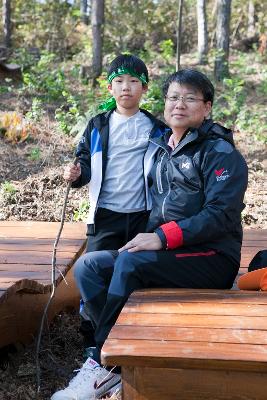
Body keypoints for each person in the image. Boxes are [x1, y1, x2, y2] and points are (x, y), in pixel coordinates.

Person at [51, 69, 248, 400]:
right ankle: (118, 352)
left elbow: (221, 215)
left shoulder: (220, 153)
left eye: (189, 98)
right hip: (170, 252)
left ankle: (104, 365)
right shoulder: (160, 148)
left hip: (212, 257)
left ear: (207, 107)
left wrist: (161, 237)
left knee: (130, 264)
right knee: (90, 266)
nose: (179, 105)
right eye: (173, 97)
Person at [63, 54, 167, 351]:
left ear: (144, 89)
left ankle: (136, 332)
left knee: (132, 273)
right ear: (110, 88)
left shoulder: (155, 127)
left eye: (134, 82)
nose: (126, 88)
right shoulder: (98, 125)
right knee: (92, 274)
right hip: (105, 215)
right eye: (119, 81)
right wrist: (76, 173)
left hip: (142, 217)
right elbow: (84, 162)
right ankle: (95, 338)